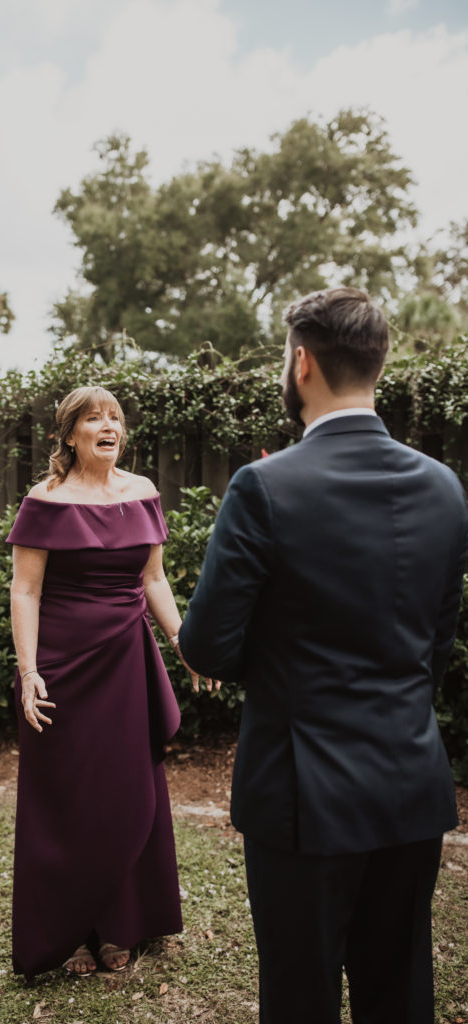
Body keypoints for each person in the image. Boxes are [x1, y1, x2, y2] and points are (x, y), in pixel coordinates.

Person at [178, 287, 467, 1024]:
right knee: (399, 990)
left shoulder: (263, 486)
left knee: (300, 996)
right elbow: (436, 643)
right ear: (378, 365)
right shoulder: (443, 488)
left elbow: (208, 643)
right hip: (409, 782)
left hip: (302, 797)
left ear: (300, 363)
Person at [7, 385, 213, 980]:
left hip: (126, 661)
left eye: (115, 417)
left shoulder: (142, 492)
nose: (108, 426)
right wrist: (29, 672)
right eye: (94, 418)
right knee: (66, 796)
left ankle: (124, 922)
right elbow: (26, 590)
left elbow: (154, 580)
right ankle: (67, 932)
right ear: (68, 434)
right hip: (63, 665)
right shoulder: (44, 500)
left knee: (127, 787)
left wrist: (183, 643)